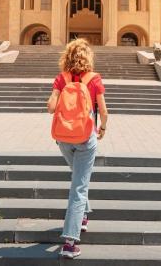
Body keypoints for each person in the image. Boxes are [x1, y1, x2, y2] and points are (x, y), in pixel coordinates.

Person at [47, 39, 109, 259]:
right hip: (85, 138)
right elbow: (103, 110)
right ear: (88, 57)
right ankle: (70, 243)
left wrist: (60, 95)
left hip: (63, 139)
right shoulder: (94, 79)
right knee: (79, 186)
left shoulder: (61, 78)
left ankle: (83, 216)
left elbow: (51, 107)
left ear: (68, 56)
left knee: (78, 178)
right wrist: (103, 127)